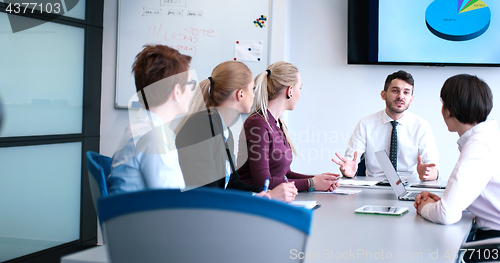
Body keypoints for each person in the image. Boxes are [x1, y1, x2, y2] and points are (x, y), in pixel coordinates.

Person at [175, 61, 297, 202]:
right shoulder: (200, 127)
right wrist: (267, 197)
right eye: (252, 89)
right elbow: (207, 191)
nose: (254, 95)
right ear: (240, 94)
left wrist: (267, 193)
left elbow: (232, 184)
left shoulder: (225, 132)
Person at [414, 74, 500, 261]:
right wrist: (442, 201)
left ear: (449, 109)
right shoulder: (488, 137)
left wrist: (424, 207)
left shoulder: (479, 146)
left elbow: (447, 214)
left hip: (494, 241)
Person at [237, 61, 340, 192]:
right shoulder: (258, 124)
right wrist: (310, 183)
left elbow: (284, 174)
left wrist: (318, 179)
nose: (300, 94)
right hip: (251, 201)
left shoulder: (277, 123)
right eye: (300, 88)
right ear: (290, 91)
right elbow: (263, 182)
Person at [107, 44, 194, 194]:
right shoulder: (153, 138)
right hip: (146, 216)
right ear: (177, 92)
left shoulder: (144, 127)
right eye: (190, 84)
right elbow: (171, 204)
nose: (192, 91)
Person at [332, 70, 439, 180]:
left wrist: (429, 174)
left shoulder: (421, 126)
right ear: (383, 95)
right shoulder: (366, 124)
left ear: (411, 99)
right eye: (395, 91)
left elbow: (433, 168)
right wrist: (348, 171)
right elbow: (350, 160)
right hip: (374, 187)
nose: (400, 96)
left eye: (406, 92)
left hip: (410, 185)